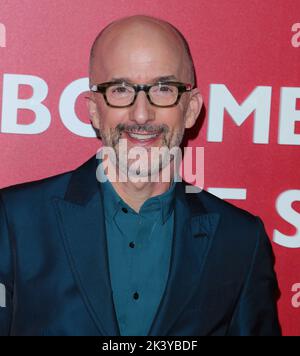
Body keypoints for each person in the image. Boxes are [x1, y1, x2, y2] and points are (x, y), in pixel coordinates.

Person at [0, 15, 280, 336]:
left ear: (190, 109)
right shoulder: (13, 221)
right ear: (94, 109)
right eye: (120, 89)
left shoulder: (239, 240)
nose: (142, 114)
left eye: (163, 88)